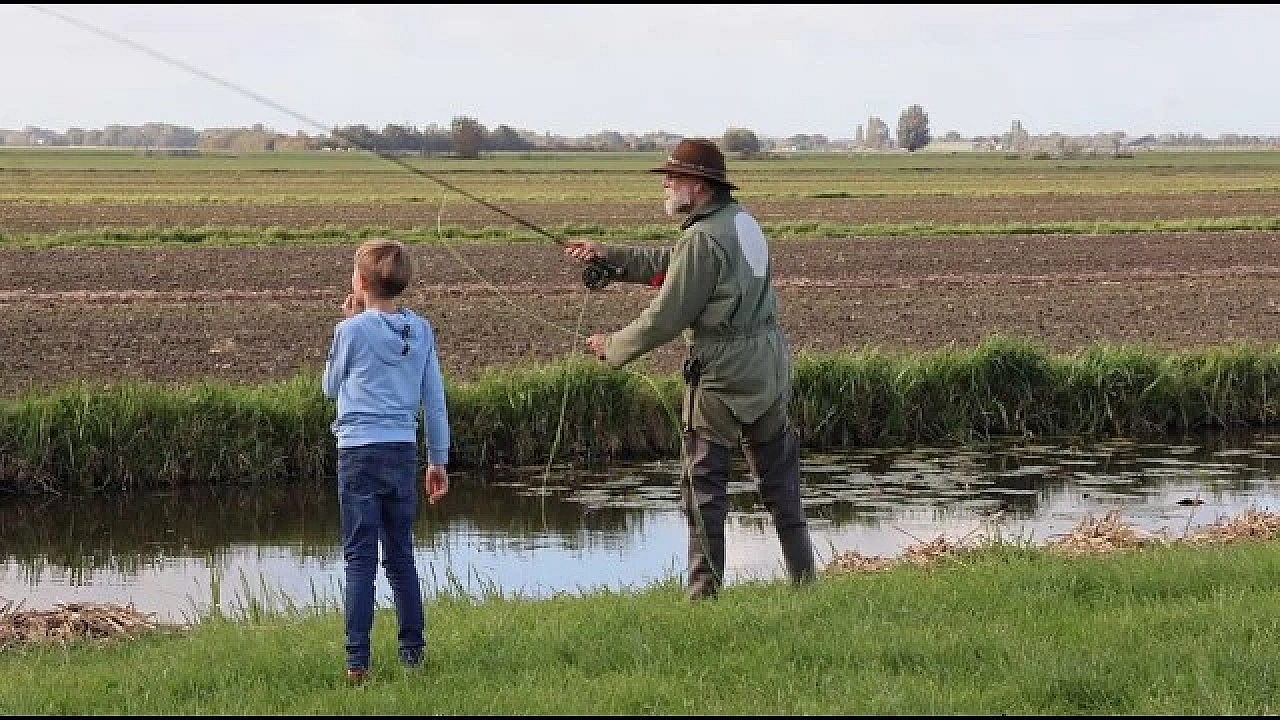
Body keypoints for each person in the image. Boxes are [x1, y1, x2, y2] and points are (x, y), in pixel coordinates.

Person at [563, 137, 817, 601]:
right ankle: (805, 585)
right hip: (769, 364)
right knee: (782, 485)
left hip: (723, 373)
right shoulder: (741, 221)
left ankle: (703, 597)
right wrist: (608, 256)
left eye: (673, 177)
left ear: (699, 186)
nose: (665, 184)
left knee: (703, 491)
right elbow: (674, 265)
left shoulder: (703, 237)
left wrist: (613, 347)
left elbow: (668, 315)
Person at [322, 238, 450, 684]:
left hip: (357, 452)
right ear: (403, 283)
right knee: (400, 556)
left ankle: (357, 663)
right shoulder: (422, 330)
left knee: (359, 559)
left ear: (359, 282)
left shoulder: (351, 330)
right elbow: (434, 402)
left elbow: (330, 386)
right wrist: (438, 460)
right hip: (401, 450)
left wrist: (349, 321)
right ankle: (412, 652)